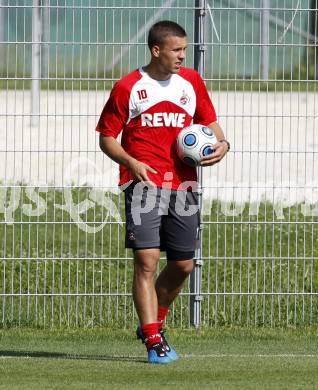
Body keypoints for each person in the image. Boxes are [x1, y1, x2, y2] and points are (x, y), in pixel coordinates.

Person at [96, 20, 229, 364]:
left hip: (184, 185)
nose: (183, 56)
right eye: (176, 50)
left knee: (183, 264)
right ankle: (153, 338)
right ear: (157, 50)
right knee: (146, 261)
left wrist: (223, 144)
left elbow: (211, 125)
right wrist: (130, 161)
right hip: (143, 184)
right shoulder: (128, 87)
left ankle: (155, 320)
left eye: (184, 49)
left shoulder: (192, 83)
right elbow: (107, 137)